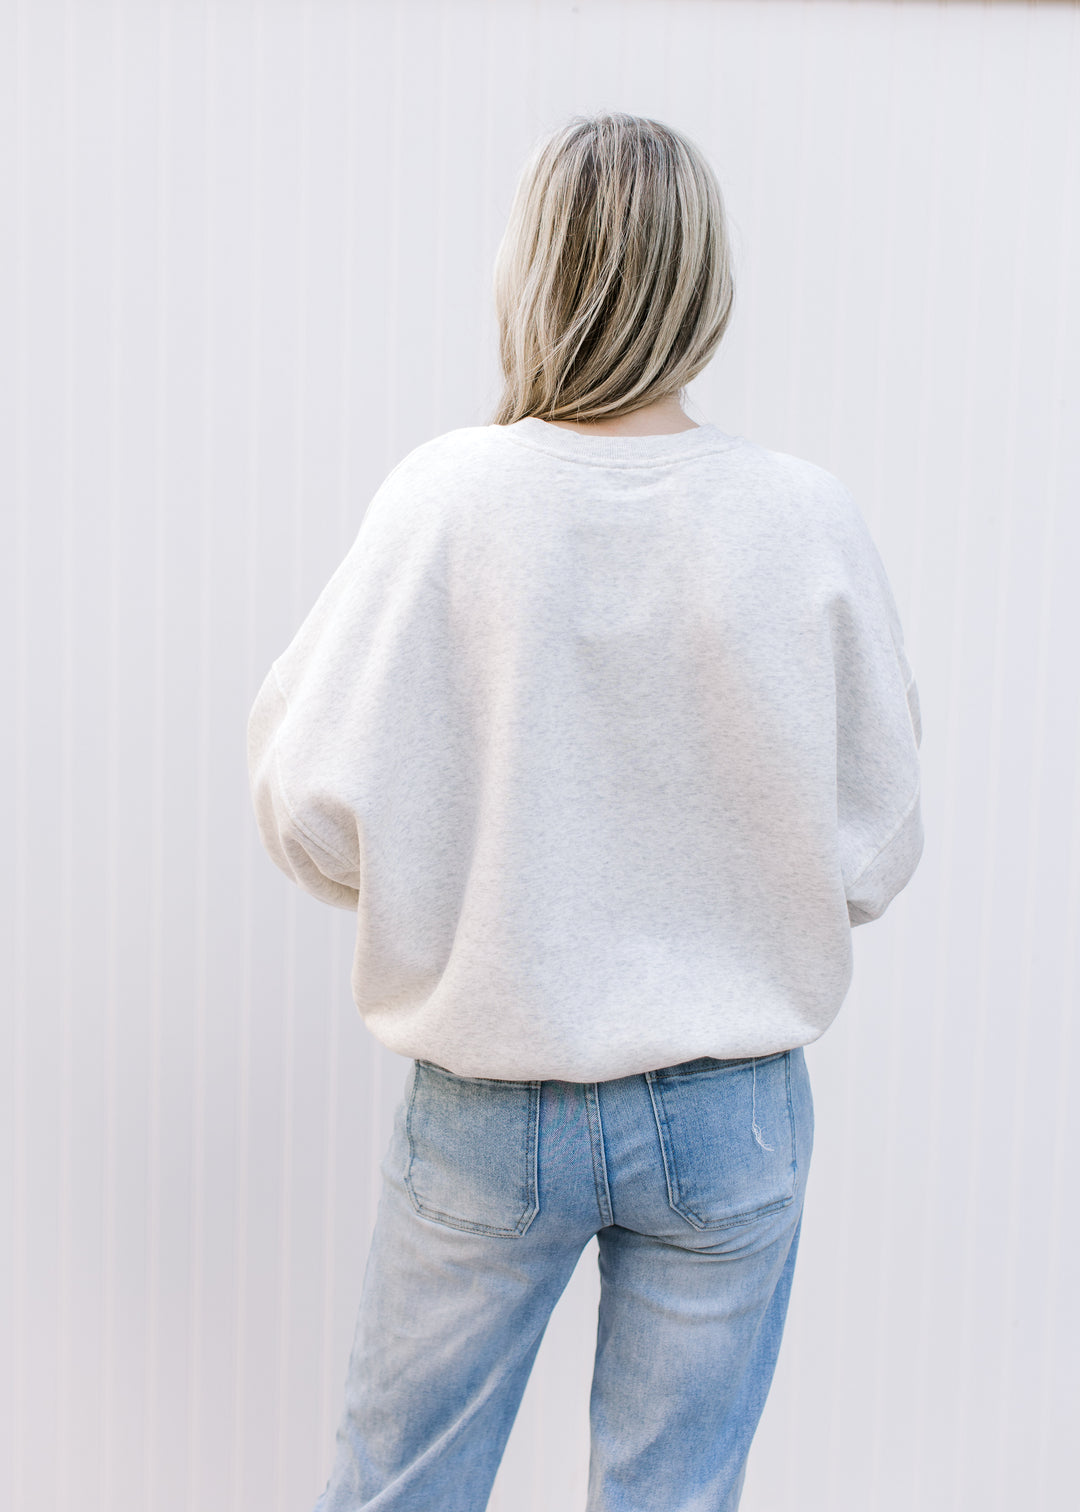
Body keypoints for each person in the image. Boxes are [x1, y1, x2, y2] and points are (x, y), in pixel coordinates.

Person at [247, 111, 923, 1512]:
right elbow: (877, 844)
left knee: (400, 1491)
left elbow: (306, 805)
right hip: (732, 1105)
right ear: (706, 285)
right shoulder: (806, 517)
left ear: (532, 273)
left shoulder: (446, 500)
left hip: (491, 1096)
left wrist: (456, 874)